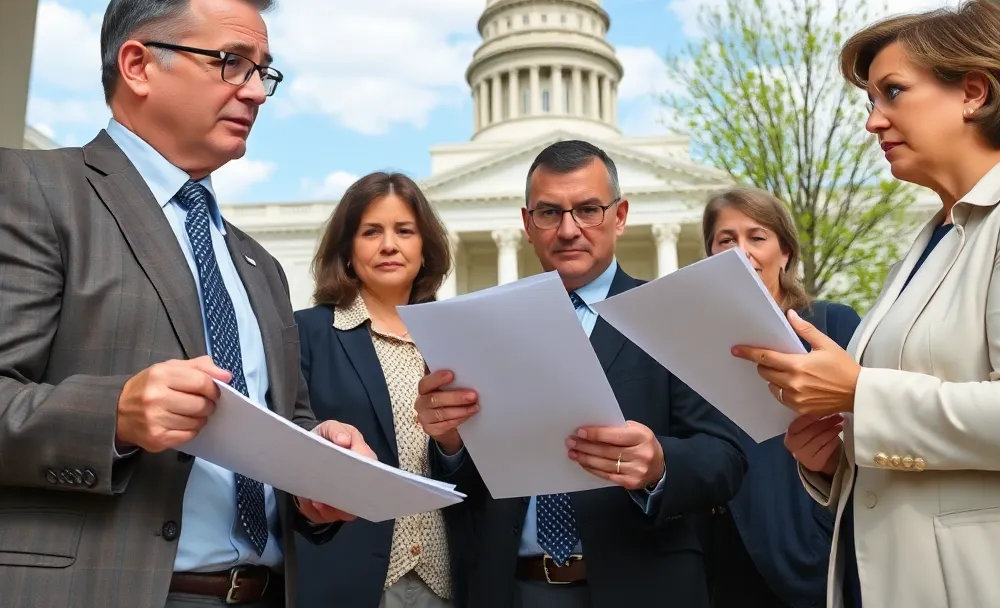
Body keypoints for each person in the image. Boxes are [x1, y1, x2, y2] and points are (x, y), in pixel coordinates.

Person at [0, 0, 373, 608]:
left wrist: (320, 466)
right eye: (231, 61)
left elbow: (284, 426)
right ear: (138, 65)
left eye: (263, 71)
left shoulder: (258, 265)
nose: (254, 91)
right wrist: (114, 415)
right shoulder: (32, 190)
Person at [731, 0, 1000, 607]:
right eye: (871, 100)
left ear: (973, 92)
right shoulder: (932, 237)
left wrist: (858, 393)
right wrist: (832, 454)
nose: (873, 120)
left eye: (892, 92)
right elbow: (912, 417)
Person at [416, 139, 749, 608]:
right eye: (550, 213)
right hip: (513, 588)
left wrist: (658, 466)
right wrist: (449, 443)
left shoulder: (676, 315)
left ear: (620, 214)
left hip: (645, 587)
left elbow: (726, 460)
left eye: (588, 209)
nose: (569, 229)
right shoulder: (484, 330)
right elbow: (469, 488)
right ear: (527, 224)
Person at [293, 171, 473, 608]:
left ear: (424, 247)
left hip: (449, 581)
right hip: (347, 577)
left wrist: (451, 444)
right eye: (371, 231)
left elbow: (486, 473)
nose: (389, 245)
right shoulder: (307, 333)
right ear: (348, 251)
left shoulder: (461, 340)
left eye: (404, 231)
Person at [698, 187, 859, 607]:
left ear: (785, 252)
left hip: (807, 553)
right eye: (725, 240)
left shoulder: (831, 324)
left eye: (756, 237)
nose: (741, 251)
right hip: (719, 564)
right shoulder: (692, 343)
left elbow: (871, 432)